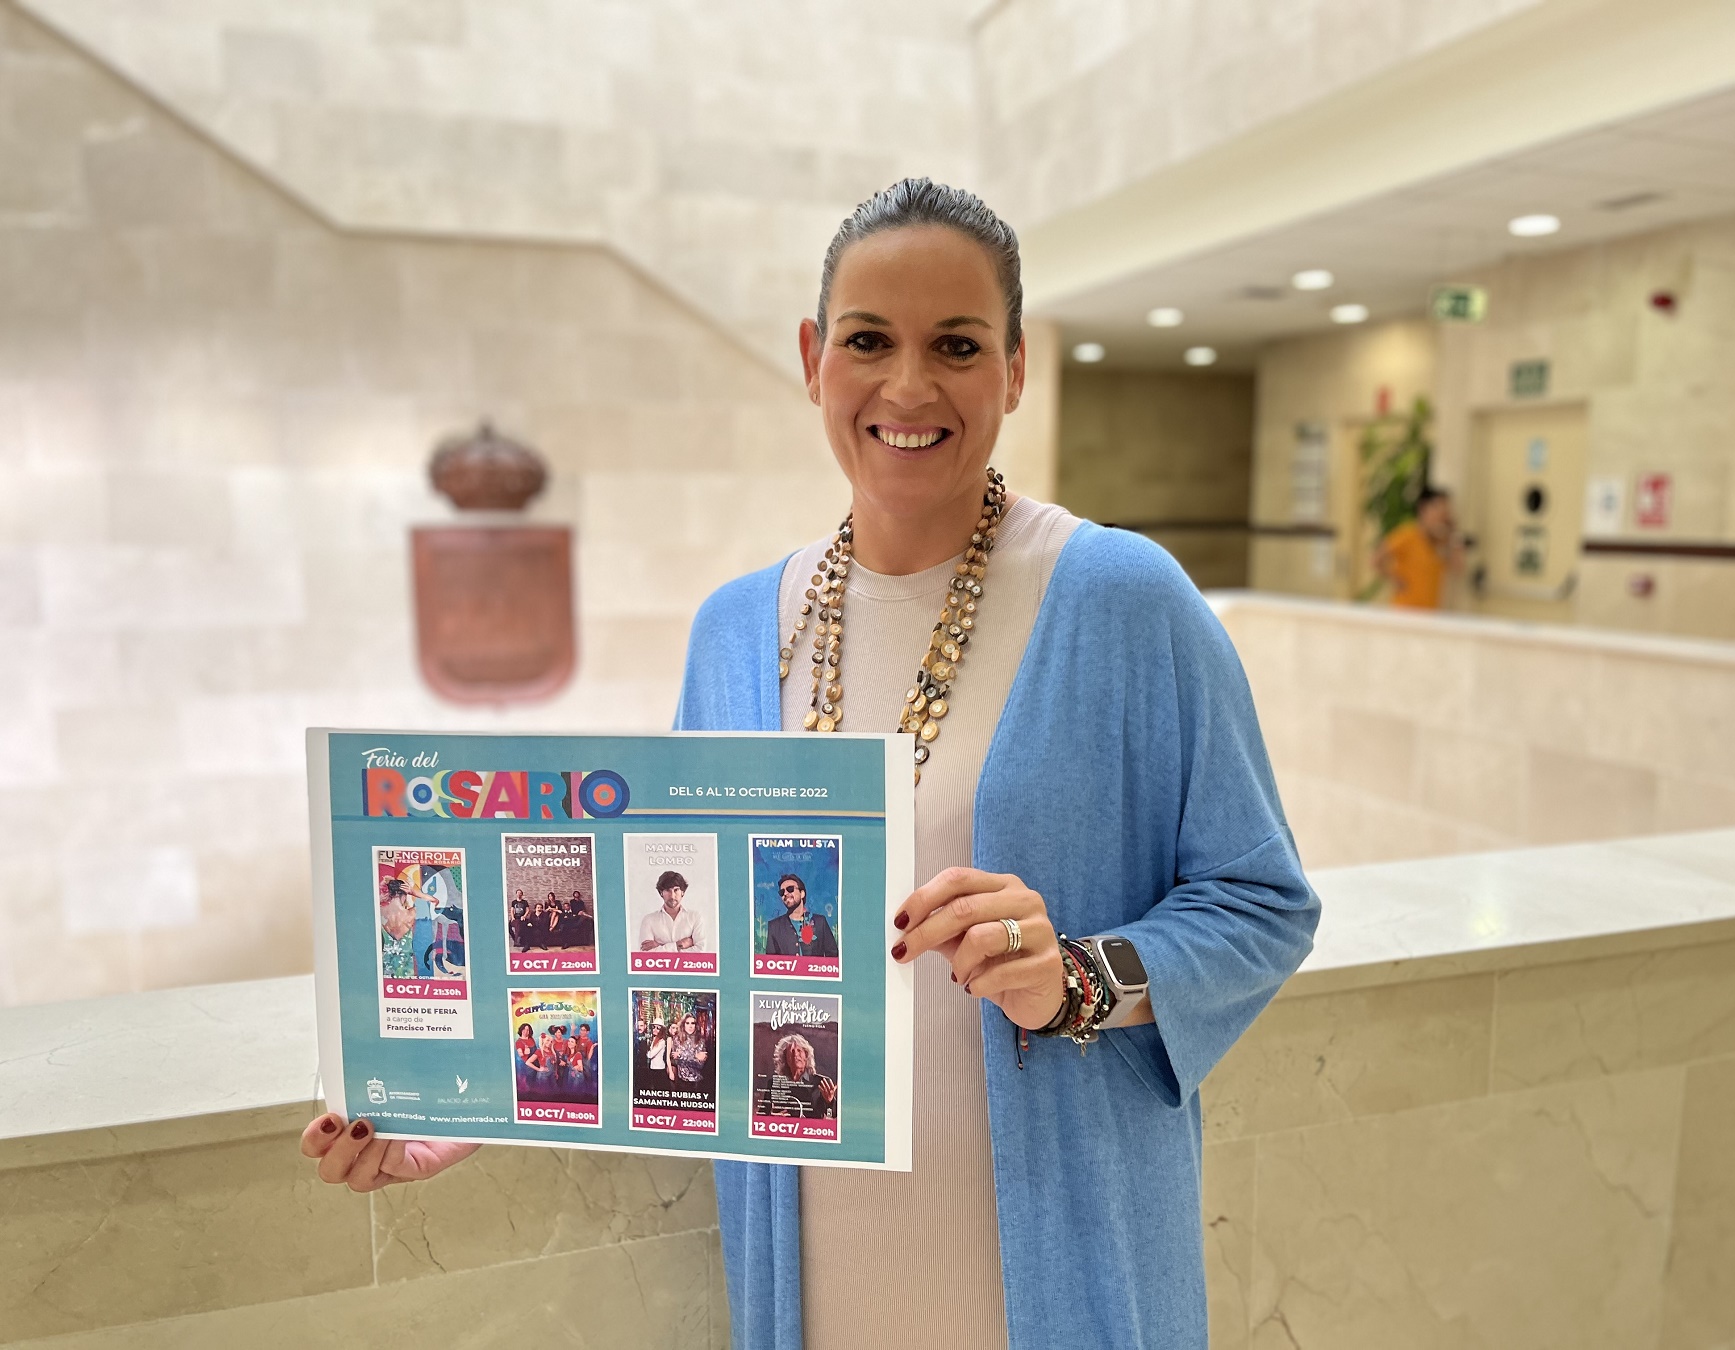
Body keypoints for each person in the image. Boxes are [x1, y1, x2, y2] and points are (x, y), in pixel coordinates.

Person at [299, 178, 1318, 1350]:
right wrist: (466, 1098)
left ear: (1015, 369)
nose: (909, 387)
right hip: (819, 1283)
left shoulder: (1122, 600)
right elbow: (662, 948)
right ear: (812, 358)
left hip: (1057, 1279)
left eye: (957, 345)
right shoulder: (737, 630)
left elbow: (1261, 903)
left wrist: (1079, 979)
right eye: (869, 341)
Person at [1374, 485, 1465, 609]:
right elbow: (1376, 559)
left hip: (1429, 613)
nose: (1442, 516)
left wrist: (1453, 534)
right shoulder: (1408, 534)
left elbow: (1458, 568)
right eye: (1438, 510)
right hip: (1404, 611)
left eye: (1445, 512)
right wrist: (1396, 580)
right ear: (1423, 509)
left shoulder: (1443, 542)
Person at [762, 873, 838, 958]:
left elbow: (833, 956)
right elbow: (771, 961)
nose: (785, 894)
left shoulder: (820, 922)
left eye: (790, 889)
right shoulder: (774, 926)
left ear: (802, 894)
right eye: (782, 892)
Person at [763, 1032, 836, 1119]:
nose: (795, 1055)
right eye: (791, 1051)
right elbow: (762, 1114)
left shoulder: (821, 1082)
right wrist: (772, 1117)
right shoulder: (774, 1083)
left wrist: (830, 1102)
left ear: (806, 1056)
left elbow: (832, 1115)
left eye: (799, 1050)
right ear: (785, 1058)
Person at [638, 870, 705, 953]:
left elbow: (700, 950)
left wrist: (660, 946)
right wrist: (678, 945)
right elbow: (646, 954)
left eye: (676, 890)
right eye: (667, 890)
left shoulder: (695, 917)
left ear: (683, 892)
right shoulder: (649, 920)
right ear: (661, 893)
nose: (672, 896)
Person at [668, 1011, 709, 1090]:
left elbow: (700, 1065)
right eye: (687, 1023)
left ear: (696, 1025)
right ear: (683, 1024)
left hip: (697, 1082)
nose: (690, 1026)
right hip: (681, 1081)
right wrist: (695, 1056)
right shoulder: (677, 1039)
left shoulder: (700, 1040)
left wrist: (681, 1055)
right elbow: (676, 1061)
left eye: (692, 1023)